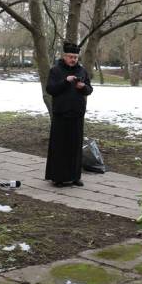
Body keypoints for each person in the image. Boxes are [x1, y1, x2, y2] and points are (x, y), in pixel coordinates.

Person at [44, 42, 93, 187]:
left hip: (77, 114)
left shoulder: (82, 71)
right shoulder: (55, 71)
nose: (73, 60)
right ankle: (58, 177)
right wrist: (65, 81)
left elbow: (90, 90)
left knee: (75, 146)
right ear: (64, 56)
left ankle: (75, 176)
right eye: (71, 57)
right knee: (60, 146)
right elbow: (51, 89)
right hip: (61, 114)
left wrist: (83, 87)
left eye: (76, 57)